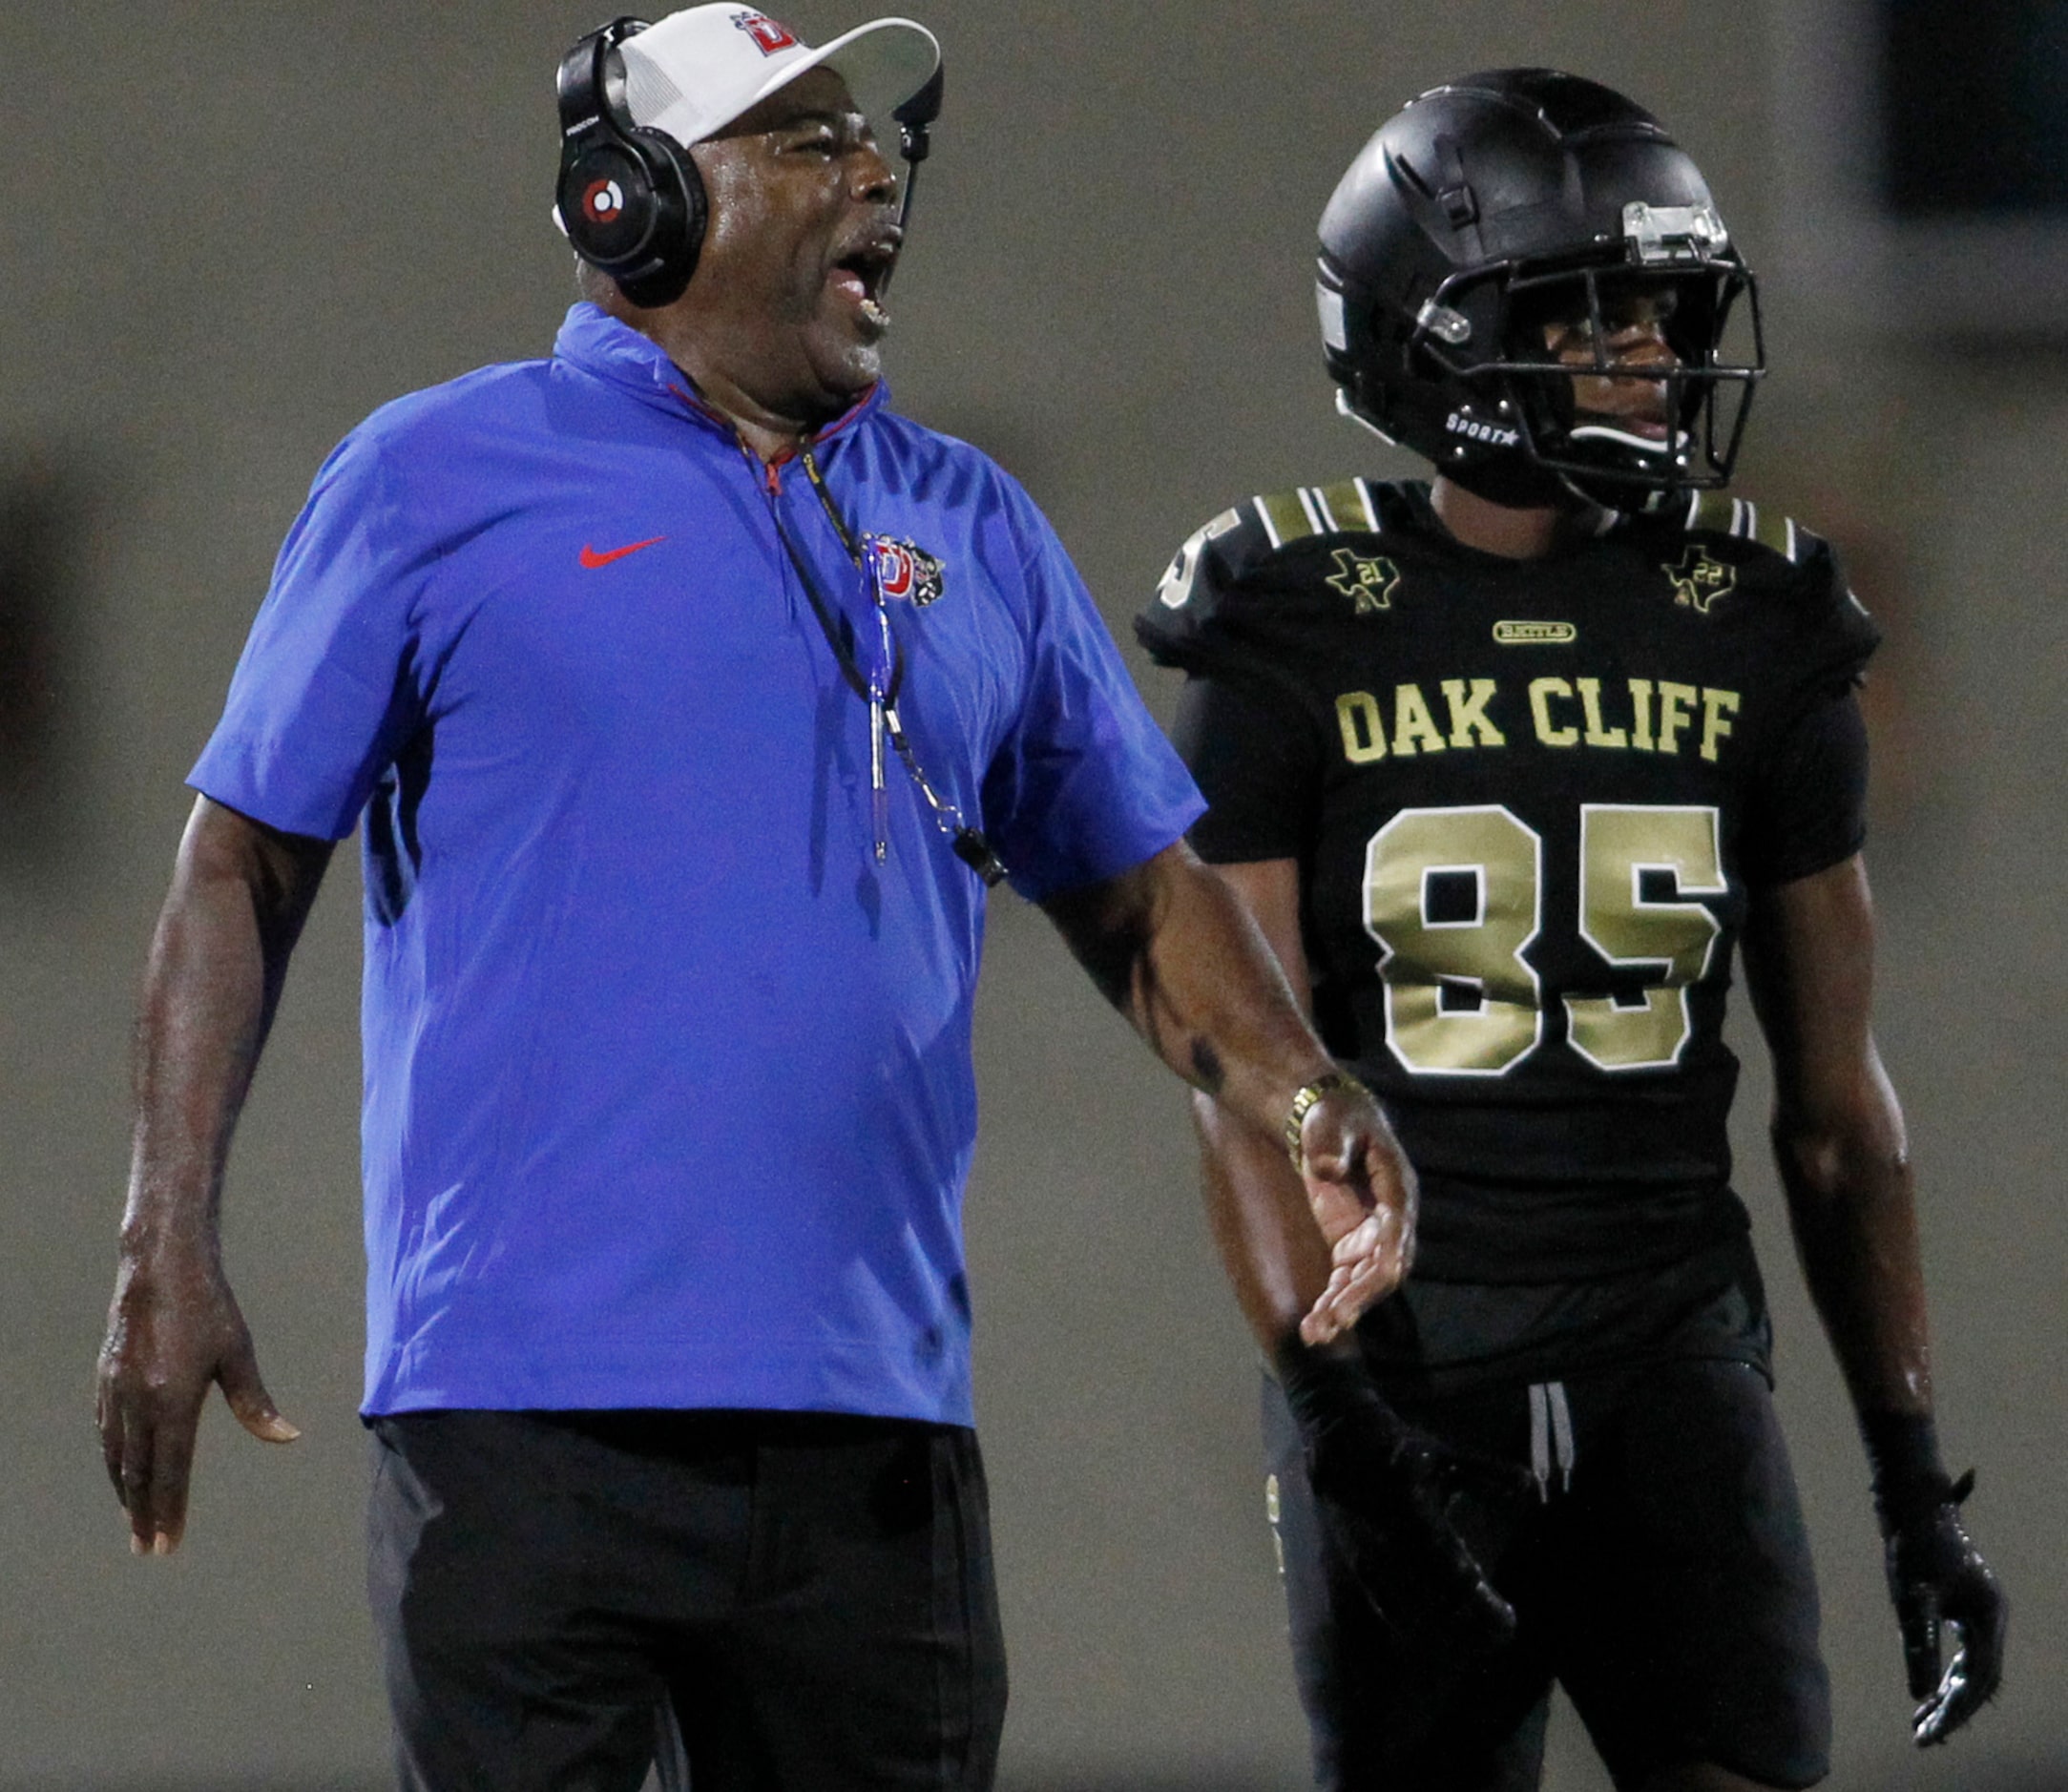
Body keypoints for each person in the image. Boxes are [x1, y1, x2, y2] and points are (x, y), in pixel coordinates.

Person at [93, 10, 1416, 1789]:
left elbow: (1137, 888)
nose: (874, 176)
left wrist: (1308, 1091)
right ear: (634, 201)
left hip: (875, 1432)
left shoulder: (976, 524)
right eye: (804, 144)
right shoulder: (431, 479)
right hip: (523, 1417)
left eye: (874, 146)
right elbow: (236, 858)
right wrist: (165, 1234)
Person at [1137, 69, 2007, 1792]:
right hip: (1410, 1356)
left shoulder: (1758, 620)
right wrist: (1341, 1422)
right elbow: (1243, 1068)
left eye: (1663, 306)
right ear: (1428, 331)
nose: (1646, 352)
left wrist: (1912, 1479)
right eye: (1584, 306)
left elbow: (1840, 1115)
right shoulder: (1290, 618)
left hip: (1670, 1344)